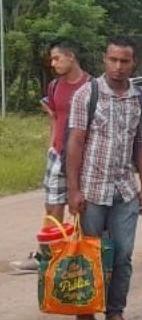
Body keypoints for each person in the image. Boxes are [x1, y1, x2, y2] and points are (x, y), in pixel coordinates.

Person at [65, 36, 142, 320]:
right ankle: (85, 316)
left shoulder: (141, 98)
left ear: (133, 63)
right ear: (105, 59)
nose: (118, 66)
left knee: (123, 254)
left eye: (124, 61)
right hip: (92, 189)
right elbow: (75, 142)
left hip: (125, 189)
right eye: (113, 60)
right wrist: (73, 190)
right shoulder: (86, 95)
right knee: (89, 253)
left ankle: (115, 314)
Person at [9, 41, 91, 273]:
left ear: (71, 57)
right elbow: (54, 117)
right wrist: (51, 147)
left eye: (57, 58)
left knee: (83, 208)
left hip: (84, 156)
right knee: (52, 206)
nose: (52, 63)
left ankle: (81, 256)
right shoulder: (54, 86)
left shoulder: (92, 86)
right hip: (58, 154)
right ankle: (46, 255)